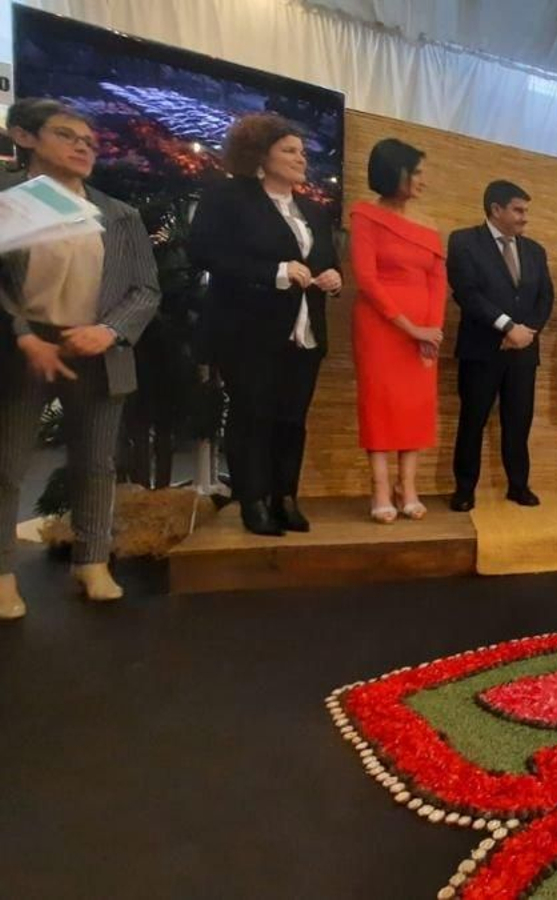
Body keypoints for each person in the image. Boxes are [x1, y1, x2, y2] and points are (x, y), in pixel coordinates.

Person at [0, 99, 158, 617]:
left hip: (96, 345)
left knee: (96, 463)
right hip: (22, 348)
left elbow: (144, 289)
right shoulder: (8, 200)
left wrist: (110, 331)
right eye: (66, 136)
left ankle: (92, 561)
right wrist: (23, 333)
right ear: (25, 137)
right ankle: (2, 574)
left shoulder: (119, 214)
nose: (82, 147)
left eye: (89, 141)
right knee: (8, 464)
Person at [190, 113, 341, 536]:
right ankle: (252, 500)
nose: (300, 159)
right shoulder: (228, 196)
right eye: (289, 150)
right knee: (251, 416)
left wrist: (332, 276)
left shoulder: (313, 209)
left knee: (292, 419)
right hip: (247, 331)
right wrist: (274, 271)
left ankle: (285, 497)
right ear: (260, 154)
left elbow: (325, 259)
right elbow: (203, 253)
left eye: (302, 152)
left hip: (305, 330)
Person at [349, 138, 447, 523]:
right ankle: (380, 488)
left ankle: (408, 487)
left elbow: (438, 282)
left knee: (415, 405)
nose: (423, 180)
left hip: (424, 331)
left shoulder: (428, 225)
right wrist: (410, 328)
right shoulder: (364, 216)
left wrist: (432, 329)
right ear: (395, 172)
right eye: (417, 172)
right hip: (381, 328)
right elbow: (367, 279)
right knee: (380, 402)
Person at [446, 181, 553, 513]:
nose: (524, 218)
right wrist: (507, 327)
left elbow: (544, 297)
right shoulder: (464, 241)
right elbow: (467, 293)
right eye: (518, 210)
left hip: (523, 352)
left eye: (525, 211)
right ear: (495, 209)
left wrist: (527, 332)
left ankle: (518, 486)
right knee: (472, 421)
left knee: (518, 422)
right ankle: (464, 489)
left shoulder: (535, 250)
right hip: (482, 349)